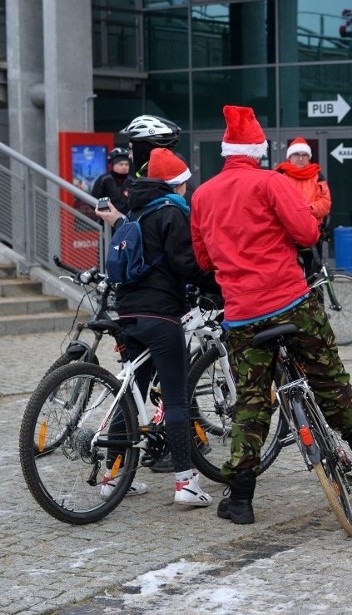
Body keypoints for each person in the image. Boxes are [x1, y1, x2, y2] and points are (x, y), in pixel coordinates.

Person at [190, 105, 352, 525]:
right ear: (257, 149)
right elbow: (307, 233)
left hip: (242, 316)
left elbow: (202, 257)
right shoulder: (271, 182)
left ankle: (240, 499)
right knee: (329, 377)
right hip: (292, 302)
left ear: (225, 151)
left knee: (251, 402)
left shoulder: (202, 196)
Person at [95, 147, 220, 507]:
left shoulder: (134, 209)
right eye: (184, 184)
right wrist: (219, 285)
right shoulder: (170, 213)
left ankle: (113, 477)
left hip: (129, 313)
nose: (186, 190)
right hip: (162, 314)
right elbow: (186, 265)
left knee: (130, 393)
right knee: (177, 397)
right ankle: (185, 483)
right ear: (174, 185)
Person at [274, 137, 332, 278]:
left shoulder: (317, 175)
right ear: (290, 157)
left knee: (314, 275)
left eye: (304, 155)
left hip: (312, 232)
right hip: (286, 234)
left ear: (309, 157)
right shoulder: (279, 175)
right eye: (297, 155)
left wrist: (308, 209)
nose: (300, 158)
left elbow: (326, 202)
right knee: (289, 274)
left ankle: (315, 301)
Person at [90, 147, 132, 215]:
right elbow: (93, 200)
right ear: (113, 165)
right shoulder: (104, 180)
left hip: (126, 221)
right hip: (106, 222)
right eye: (120, 164)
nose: (124, 167)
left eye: (126, 164)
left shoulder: (132, 181)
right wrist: (105, 213)